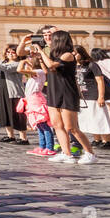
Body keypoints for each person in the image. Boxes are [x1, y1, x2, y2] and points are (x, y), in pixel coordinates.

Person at [36, 31, 97, 164]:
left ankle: (90, 153)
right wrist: (41, 59)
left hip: (67, 93)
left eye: (52, 38)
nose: (48, 40)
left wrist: (41, 52)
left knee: (71, 127)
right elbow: (48, 71)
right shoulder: (53, 55)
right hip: (53, 91)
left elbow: (52, 65)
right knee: (57, 125)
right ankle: (66, 153)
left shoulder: (68, 55)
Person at [0, 44, 29, 145]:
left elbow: (5, 68)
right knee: (6, 113)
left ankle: (23, 138)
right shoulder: (3, 62)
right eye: (8, 52)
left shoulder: (18, 63)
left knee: (18, 115)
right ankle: (10, 135)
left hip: (14, 92)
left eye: (13, 52)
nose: (10, 54)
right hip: (3, 90)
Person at [76, 47, 110, 148]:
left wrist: (101, 96)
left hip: (93, 95)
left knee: (100, 117)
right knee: (90, 119)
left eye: (75, 53)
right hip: (82, 96)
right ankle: (97, 139)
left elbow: (100, 80)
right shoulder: (75, 66)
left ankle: (107, 141)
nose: (74, 55)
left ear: (81, 53)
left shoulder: (91, 65)